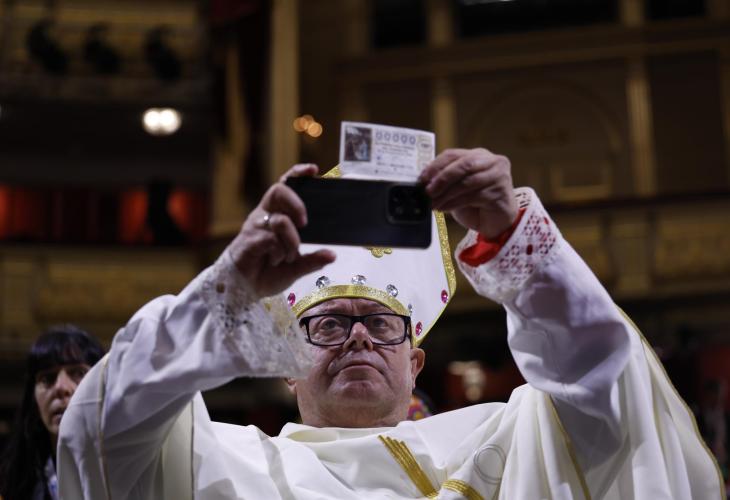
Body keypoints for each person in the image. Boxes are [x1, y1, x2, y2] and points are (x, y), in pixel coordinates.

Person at [58, 148, 722, 499]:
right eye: (328, 326)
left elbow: (609, 386)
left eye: (381, 325)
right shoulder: (224, 466)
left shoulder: (503, 442)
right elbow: (102, 428)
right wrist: (224, 296)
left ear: (415, 362)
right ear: (287, 371)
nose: (357, 337)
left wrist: (511, 236)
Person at [0, 325, 104, 500]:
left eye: (78, 373)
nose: (61, 388)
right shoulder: (9, 487)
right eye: (47, 378)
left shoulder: (129, 472)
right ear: (33, 399)